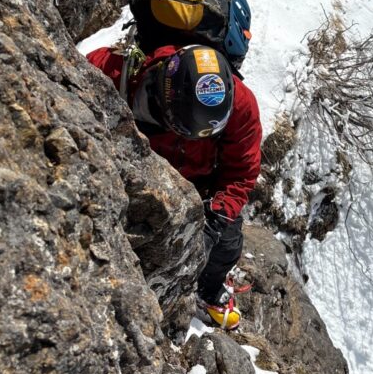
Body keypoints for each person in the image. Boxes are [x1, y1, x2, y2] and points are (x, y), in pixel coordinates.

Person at [87, 42, 262, 330]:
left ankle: (207, 290)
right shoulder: (116, 72)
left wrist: (217, 215)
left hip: (201, 187)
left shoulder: (241, 106)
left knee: (227, 245)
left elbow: (241, 172)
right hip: (133, 168)